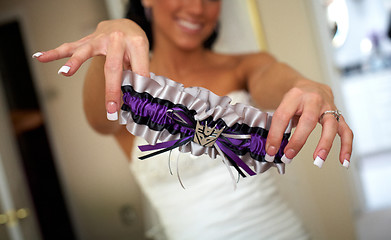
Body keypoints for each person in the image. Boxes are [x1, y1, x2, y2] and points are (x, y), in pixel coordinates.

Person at [33, 0, 353, 239]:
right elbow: (100, 117)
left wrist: (307, 87)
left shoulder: (245, 67)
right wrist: (111, 38)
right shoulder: (126, 90)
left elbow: (277, 79)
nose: (198, 8)